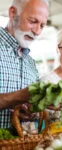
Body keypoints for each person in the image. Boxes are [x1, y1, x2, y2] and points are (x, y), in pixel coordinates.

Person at [0, 0, 49, 128]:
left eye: (42, 26)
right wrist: (18, 97)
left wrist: (31, 112)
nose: (37, 31)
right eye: (33, 21)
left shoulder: (31, 64)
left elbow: (31, 111)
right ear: (12, 13)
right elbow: (19, 97)